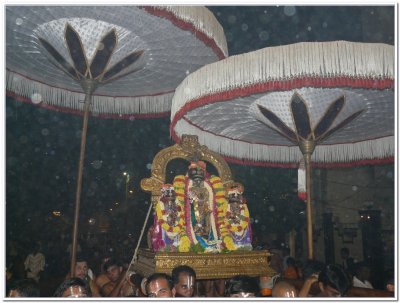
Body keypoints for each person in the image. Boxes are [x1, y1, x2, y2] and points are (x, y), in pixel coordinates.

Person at [151, 184, 186, 252]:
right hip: (164, 223)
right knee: (162, 228)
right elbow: (160, 217)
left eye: (171, 193)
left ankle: (174, 245)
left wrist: (176, 217)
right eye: (168, 193)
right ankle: (164, 245)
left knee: (177, 226)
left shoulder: (177, 203)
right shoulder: (161, 203)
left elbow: (180, 215)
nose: (170, 195)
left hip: (175, 223)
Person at [224, 182, 252, 249]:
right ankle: (233, 246)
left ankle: (244, 244)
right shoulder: (227, 207)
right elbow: (226, 220)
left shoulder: (243, 207)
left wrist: (238, 216)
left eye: (237, 194)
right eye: (233, 194)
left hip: (242, 226)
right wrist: (232, 218)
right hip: (232, 229)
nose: (235, 196)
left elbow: (245, 218)